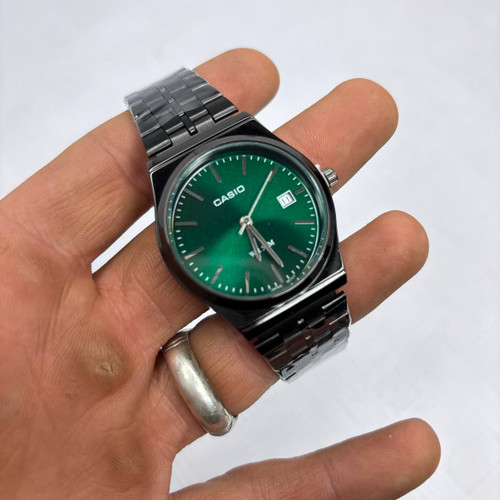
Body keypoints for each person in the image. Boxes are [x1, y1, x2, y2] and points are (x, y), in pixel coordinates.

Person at [0, 48, 440, 498]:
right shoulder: (191, 235)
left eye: (246, 218)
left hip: (307, 267)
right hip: (253, 290)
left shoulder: (286, 188)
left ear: (320, 179)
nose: (244, 221)